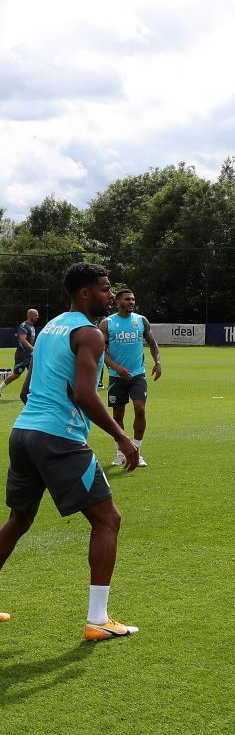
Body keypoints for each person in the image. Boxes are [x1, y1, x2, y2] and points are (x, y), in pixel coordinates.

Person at [1, 262, 140, 638]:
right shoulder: (90, 334)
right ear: (84, 293)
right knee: (108, 519)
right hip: (58, 439)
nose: (110, 295)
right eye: (105, 288)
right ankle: (98, 620)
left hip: (23, 433)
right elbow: (83, 393)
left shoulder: (49, 328)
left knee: (19, 520)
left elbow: (27, 391)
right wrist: (121, 437)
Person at [100, 290, 162, 467]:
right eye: (127, 299)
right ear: (118, 301)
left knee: (140, 409)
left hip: (137, 374)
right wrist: (117, 368)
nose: (131, 302)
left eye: (133, 299)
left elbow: (152, 343)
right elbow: (101, 352)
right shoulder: (107, 323)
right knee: (118, 415)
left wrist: (157, 363)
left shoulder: (141, 320)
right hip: (116, 377)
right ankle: (120, 452)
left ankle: (137, 450)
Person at [0, 308, 38, 399]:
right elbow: (23, 339)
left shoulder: (32, 326)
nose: (37, 316)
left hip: (30, 355)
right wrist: (33, 349)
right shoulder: (24, 326)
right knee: (16, 375)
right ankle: (0, 388)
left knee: (34, 374)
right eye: (36, 315)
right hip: (22, 356)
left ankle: (33, 394)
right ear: (30, 315)